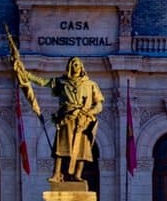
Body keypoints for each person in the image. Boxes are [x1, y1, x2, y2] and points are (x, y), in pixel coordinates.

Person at [10, 54, 104, 184]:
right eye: (73, 64)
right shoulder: (62, 82)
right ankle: (56, 173)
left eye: (77, 64)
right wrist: (25, 73)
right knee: (60, 147)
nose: (75, 66)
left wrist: (89, 111)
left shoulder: (91, 84)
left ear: (82, 67)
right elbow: (43, 82)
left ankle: (77, 175)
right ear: (69, 67)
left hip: (83, 121)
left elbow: (99, 104)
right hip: (66, 118)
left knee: (83, 149)